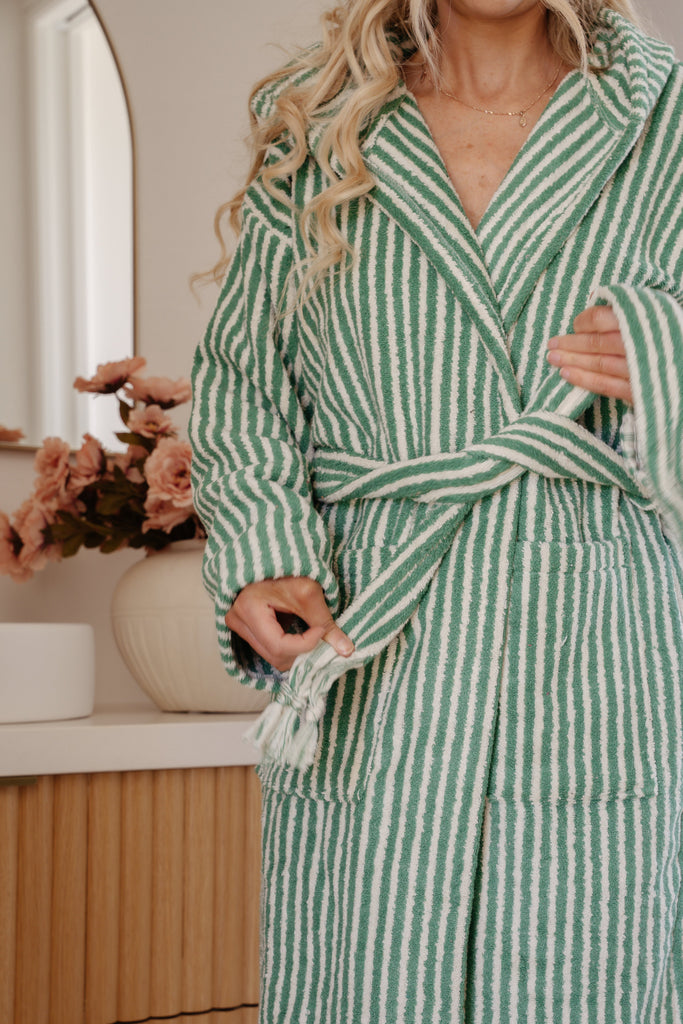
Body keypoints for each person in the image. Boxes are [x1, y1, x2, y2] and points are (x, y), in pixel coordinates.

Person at [189, 0, 683, 1019]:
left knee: (584, 959)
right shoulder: (316, 117)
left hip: (592, 623)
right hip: (379, 614)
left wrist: (667, 354)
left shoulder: (661, 113)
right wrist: (261, 553)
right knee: (372, 967)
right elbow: (245, 376)